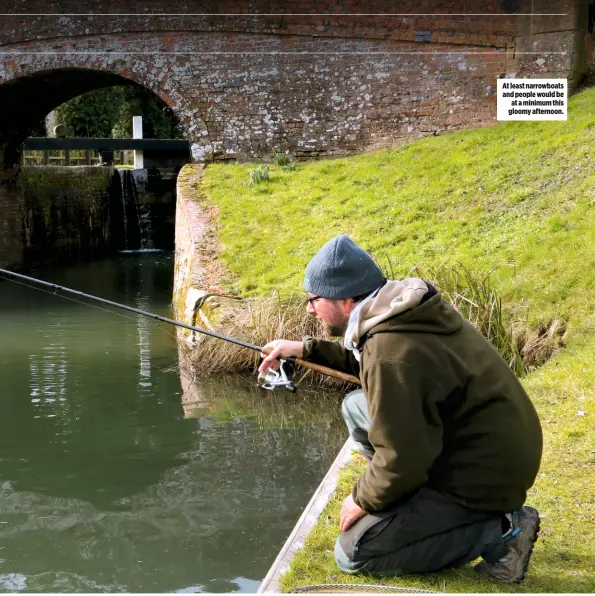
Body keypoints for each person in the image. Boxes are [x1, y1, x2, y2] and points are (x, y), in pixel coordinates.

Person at [259, 234, 543, 584]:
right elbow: (368, 363)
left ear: (347, 300)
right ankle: (408, 501)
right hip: (495, 448)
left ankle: (500, 531)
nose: (309, 307)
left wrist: (361, 499)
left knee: (353, 552)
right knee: (357, 406)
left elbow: (403, 456)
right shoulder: (401, 311)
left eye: (314, 299)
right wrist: (303, 349)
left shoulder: (390, 349)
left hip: (481, 477)